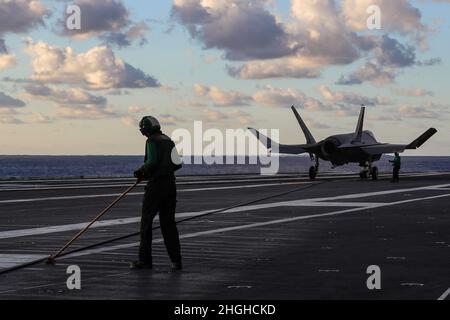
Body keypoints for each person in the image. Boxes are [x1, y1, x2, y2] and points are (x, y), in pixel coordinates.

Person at [131, 116, 183, 271]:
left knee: (146, 224)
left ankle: (145, 261)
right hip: (170, 186)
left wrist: (140, 172)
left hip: (156, 186)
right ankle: (176, 261)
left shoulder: (152, 141)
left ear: (145, 129)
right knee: (169, 225)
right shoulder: (168, 139)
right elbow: (177, 164)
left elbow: (152, 161)